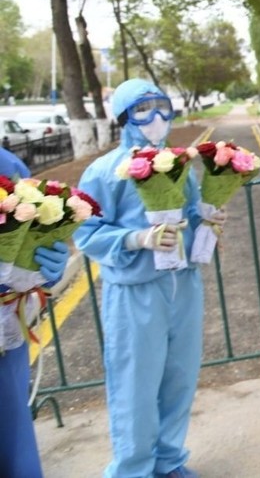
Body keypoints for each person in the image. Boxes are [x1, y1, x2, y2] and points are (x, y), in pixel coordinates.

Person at [74, 78, 225, 478]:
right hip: (135, 291)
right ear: (124, 117)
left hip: (183, 284)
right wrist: (137, 238)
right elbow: (86, 232)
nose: (155, 117)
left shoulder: (179, 167)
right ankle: (133, 470)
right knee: (135, 385)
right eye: (142, 109)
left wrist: (207, 220)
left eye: (161, 106)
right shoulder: (105, 172)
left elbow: (189, 214)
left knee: (180, 378)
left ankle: (169, 460)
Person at [0, 149, 71, 478]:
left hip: (5, 341)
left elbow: (29, 233)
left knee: (13, 445)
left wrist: (41, 269)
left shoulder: (7, 165)